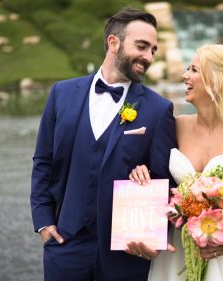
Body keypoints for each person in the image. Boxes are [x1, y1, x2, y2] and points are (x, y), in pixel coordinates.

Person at [30, 8, 176, 281]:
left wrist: (155, 238)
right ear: (113, 42)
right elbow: (43, 161)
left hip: (127, 255)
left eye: (153, 50)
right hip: (65, 246)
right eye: (142, 46)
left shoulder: (159, 110)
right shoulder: (61, 94)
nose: (148, 57)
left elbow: (166, 182)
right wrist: (43, 222)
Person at [129, 44, 223, 281]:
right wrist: (139, 171)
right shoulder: (176, 126)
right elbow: (154, 173)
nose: (185, 75)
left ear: (216, 79)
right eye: (187, 68)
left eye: (194, 69)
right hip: (180, 250)